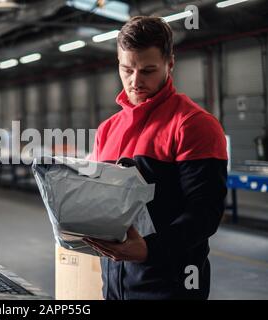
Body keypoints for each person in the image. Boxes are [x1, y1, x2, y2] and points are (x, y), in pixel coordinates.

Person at [84, 16, 228, 300]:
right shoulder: (108, 129)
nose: (135, 81)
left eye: (148, 70)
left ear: (169, 64)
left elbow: (205, 213)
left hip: (171, 285)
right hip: (115, 284)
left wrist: (151, 249)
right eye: (127, 70)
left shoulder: (193, 124)